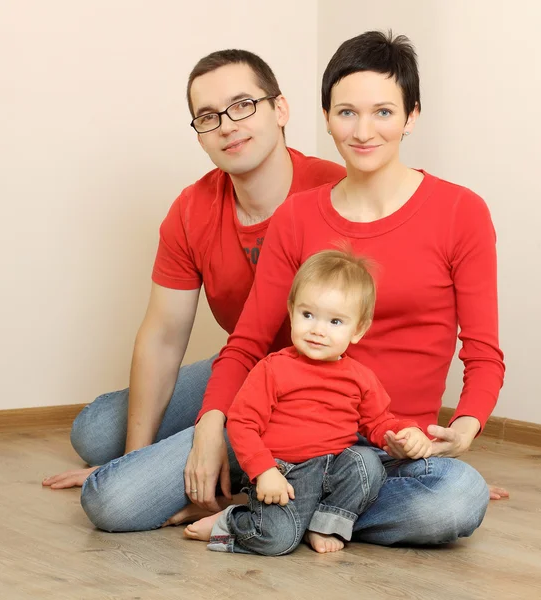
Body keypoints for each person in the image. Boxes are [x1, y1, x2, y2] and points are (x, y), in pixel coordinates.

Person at [182, 30, 507, 545]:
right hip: (282, 434)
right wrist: (209, 426)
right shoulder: (299, 215)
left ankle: (276, 510)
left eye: (383, 112)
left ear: (411, 116)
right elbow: (246, 344)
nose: (363, 131)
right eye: (346, 112)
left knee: (457, 498)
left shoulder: (460, 212)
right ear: (327, 116)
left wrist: (467, 425)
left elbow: (484, 352)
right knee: (113, 501)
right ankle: (296, 505)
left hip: (386, 446)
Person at [42, 49, 344, 491]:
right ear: (200, 135)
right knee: (96, 432)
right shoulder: (191, 209)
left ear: (280, 108)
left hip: (320, 378)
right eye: (208, 116)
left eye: (243, 105)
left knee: (117, 496)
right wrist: (134, 458)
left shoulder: (334, 189)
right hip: (243, 366)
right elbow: (163, 336)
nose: (227, 125)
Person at [187, 249, 432, 555]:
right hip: (285, 473)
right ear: (291, 312)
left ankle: (323, 524)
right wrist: (264, 472)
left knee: (368, 465)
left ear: (358, 330)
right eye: (307, 315)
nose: (318, 329)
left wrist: (405, 433)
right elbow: (242, 423)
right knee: (277, 541)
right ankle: (229, 521)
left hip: (334, 472)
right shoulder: (273, 369)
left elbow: (379, 422)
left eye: (335, 321)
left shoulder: (359, 376)